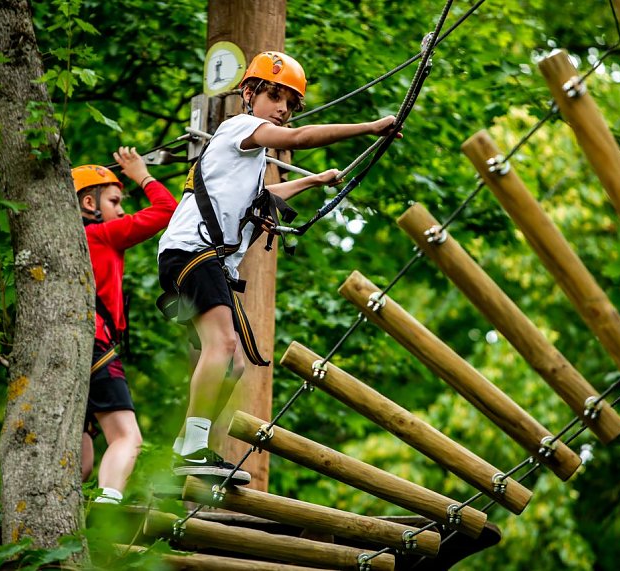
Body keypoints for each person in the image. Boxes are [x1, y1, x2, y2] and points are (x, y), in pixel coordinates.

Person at [157, 51, 401, 483]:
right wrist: (370, 127)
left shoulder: (247, 161)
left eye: (291, 102)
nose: (283, 109)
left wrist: (313, 180)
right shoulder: (240, 127)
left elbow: (264, 197)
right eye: (275, 96)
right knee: (223, 347)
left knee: (231, 363)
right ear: (248, 93)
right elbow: (302, 137)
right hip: (193, 254)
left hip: (196, 259)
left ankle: (187, 444)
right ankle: (192, 449)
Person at [73, 147, 177, 503]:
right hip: (97, 347)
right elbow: (166, 211)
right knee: (126, 437)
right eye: (115, 201)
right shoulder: (102, 234)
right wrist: (141, 173)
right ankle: (108, 503)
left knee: (80, 461)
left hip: (73, 352)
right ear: (89, 203)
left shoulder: (72, 243)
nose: (121, 211)